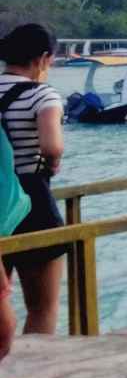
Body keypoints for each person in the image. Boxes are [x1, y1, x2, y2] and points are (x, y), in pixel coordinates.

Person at [0, 23, 66, 336]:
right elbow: (52, 145)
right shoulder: (42, 94)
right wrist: (52, 164)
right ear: (41, 59)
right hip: (31, 203)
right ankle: (28, 377)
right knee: (42, 309)